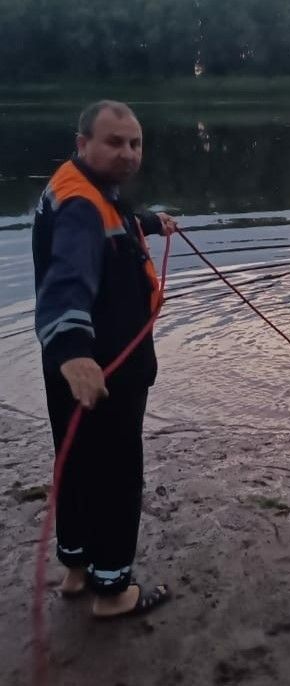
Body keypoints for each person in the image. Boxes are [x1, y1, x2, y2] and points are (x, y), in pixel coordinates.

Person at [33, 100, 177, 619]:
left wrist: (152, 224)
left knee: (74, 463)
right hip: (102, 370)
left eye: (135, 143)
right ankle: (113, 590)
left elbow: (108, 223)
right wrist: (76, 353)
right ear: (83, 144)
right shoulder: (80, 208)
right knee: (117, 472)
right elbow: (67, 279)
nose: (128, 153)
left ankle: (75, 569)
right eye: (114, 142)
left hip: (69, 369)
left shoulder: (77, 187)